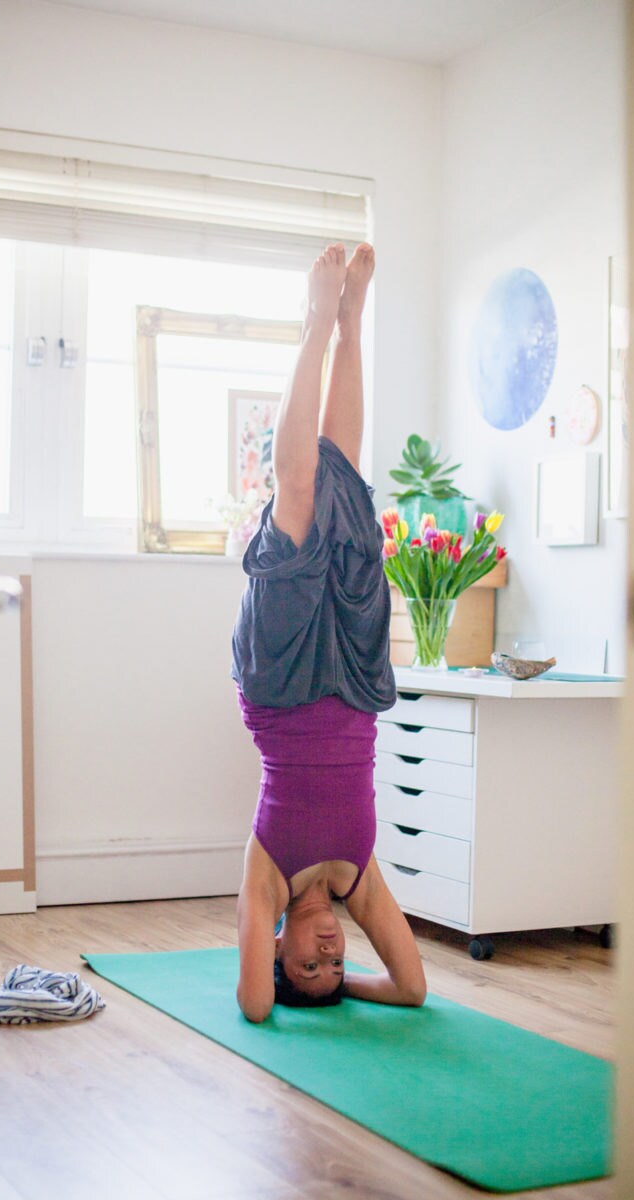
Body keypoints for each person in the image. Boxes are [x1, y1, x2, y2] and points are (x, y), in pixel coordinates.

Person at [231, 243, 427, 1023]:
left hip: (280, 686)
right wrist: (353, 992)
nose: (326, 957)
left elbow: (252, 1008)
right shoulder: (360, 883)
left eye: (304, 968)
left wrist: (279, 984)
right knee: (342, 479)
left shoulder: (266, 883)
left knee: (298, 488)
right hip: (352, 680)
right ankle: (352, 320)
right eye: (332, 969)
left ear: (277, 948)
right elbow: (412, 988)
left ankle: (314, 321)